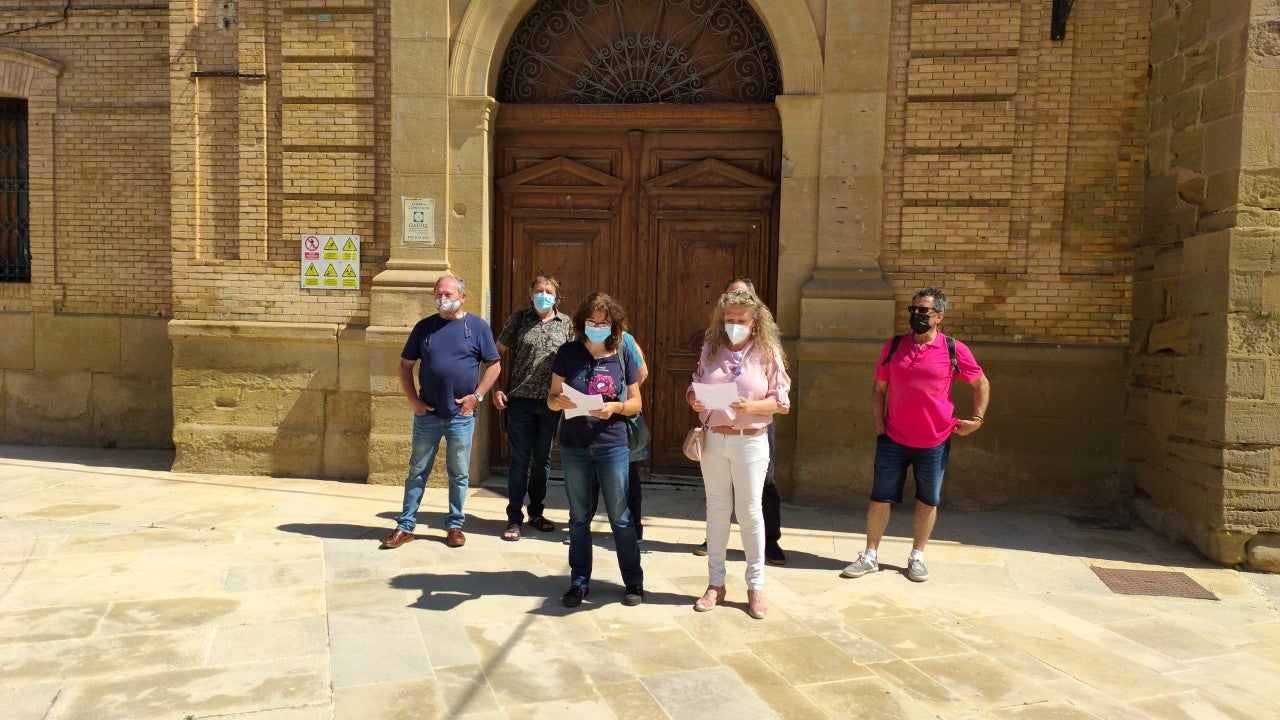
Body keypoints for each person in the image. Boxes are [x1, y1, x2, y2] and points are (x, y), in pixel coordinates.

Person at [840, 287, 990, 582]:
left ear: (939, 316)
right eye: (914, 310)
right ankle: (870, 555)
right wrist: (880, 429)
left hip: (934, 441)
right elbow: (878, 390)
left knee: (928, 500)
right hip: (893, 439)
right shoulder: (894, 346)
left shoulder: (953, 349)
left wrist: (978, 419)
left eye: (925, 311)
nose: (917, 315)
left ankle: (917, 556)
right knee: (880, 498)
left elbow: (981, 383)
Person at [687, 289, 791, 619]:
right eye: (728, 320)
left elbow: (781, 402)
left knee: (749, 512)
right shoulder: (711, 349)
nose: (733, 325)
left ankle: (755, 587)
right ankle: (715, 584)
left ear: (755, 322)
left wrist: (752, 406)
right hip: (715, 439)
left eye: (740, 321)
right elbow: (695, 385)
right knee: (717, 510)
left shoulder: (768, 352)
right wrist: (695, 399)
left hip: (751, 440)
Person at [381, 275, 501, 550]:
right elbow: (404, 366)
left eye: (447, 294)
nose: (442, 299)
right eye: (438, 295)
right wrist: (414, 401)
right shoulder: (425, 328)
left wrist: (477, 396)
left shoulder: (477, 327)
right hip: (428, 415)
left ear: (462, 296)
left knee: (458, 472)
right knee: (417, 471)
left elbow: (494, 365)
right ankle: (405, 526)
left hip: (461, 415)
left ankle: (455, 525)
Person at [547, 293, 645, 608]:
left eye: (604, 323)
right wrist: (557, 402)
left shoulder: (622, 355)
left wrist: (616, 407)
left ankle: (633, 582)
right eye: (592, 322)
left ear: (613, 325)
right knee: (578, 517)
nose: (598, 327)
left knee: (620, 516)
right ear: (582, 323)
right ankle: (578, 582)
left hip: (612, 443)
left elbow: (636, 403)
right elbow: (551, 397)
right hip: (575, 445)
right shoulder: (567, 353)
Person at [494, 275, 574, 541]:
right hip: (520, 402)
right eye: (538, 290)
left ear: (556, 296)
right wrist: (495, 388)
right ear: (530, 294)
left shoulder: (567, 324)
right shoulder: (518, 320)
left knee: (543, 460)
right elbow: (496, 354)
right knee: (519, 461)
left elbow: (576, 360)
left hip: (552, 403)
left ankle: (536, 513)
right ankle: (514, 518)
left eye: (548, 291)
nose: (543, 294)